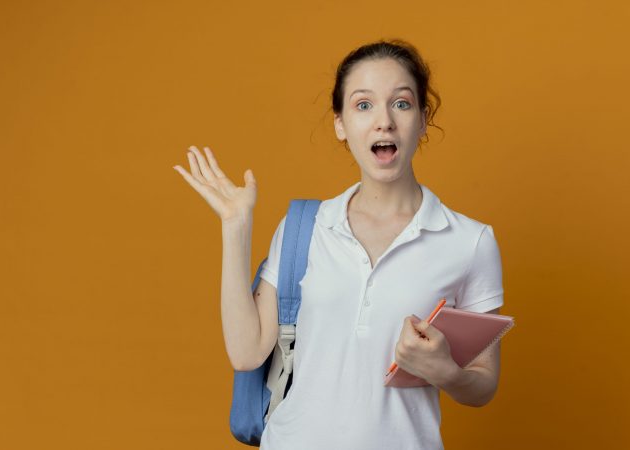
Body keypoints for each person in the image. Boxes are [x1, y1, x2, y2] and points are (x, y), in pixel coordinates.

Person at [173, 39, 505, 450]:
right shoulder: (305, 228)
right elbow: (246, 353)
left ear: (422, 118)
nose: (383, 121)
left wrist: (446, 371)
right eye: (363, 105)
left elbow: (483, 385)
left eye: (401, 103)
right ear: (341, 124)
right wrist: (235, 227)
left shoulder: (468, 241)